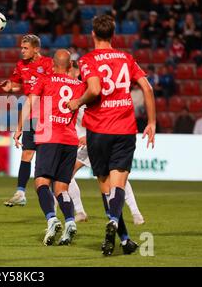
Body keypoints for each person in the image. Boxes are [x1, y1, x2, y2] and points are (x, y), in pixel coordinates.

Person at [67, 15, 156, 256]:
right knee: (119, 186)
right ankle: (121, 233)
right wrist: (152, 122)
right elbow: (147, 87)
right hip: (124, 128)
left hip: (98, 131)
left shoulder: (87, 60)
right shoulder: (127, 58)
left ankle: (122, 235)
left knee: (106, 188)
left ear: (93, 34)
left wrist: (78, 101)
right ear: (113, 34)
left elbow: (94, 89)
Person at [14, 49, 84, 246]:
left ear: (52, 65)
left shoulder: (45, 79)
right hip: (70, 140)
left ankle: (52, 220)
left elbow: (29, 103)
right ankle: (70, 221)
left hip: (49, 137)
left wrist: (19, 128)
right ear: (71, 66)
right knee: (62, 188)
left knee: (42, 183)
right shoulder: (79, 86)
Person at [67, 62, 145, 225]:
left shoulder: (87, 90)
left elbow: (99, 114)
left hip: (96, 139)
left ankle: (133, 214)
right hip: (86, 143)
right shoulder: (71, 90)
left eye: (70, 71)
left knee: (114, 177)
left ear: (75, 72)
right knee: (65, 174)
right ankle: (80, 212)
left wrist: (89, 136)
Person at [0, 34, 53, 207]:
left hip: (48, 115)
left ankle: (57, 195)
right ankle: (20, 192)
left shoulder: (48, 64)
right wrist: (9, 88)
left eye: (26, 48)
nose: (22, 51)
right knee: (27, 154)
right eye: (21, 48)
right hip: (31, 115)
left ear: (36, 49)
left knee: (46, 159)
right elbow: (16, 85)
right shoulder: (20, 65)